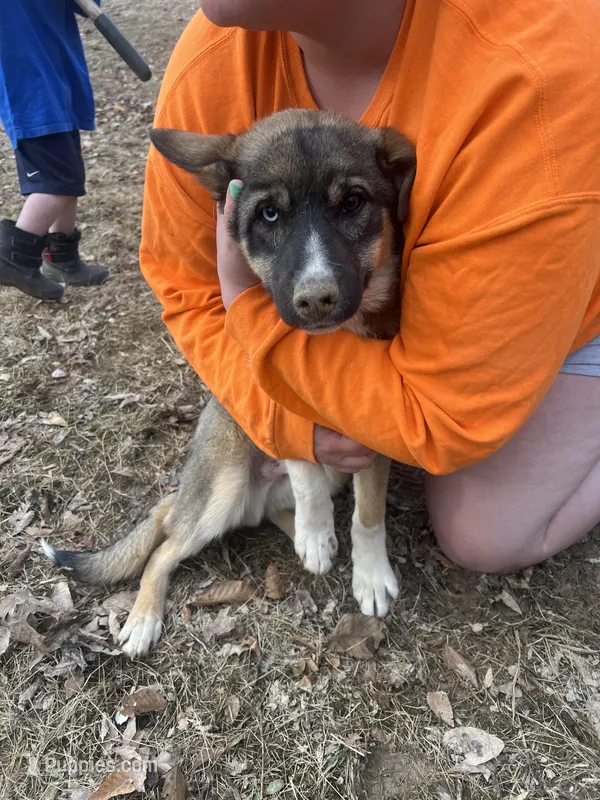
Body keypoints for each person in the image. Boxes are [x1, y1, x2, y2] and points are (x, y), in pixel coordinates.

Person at [139, 0, 600, 575]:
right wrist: (284, 420)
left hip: (558, 309)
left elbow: (439, 417)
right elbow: (186, 288)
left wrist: (244, 302)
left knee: (485, 537)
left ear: (398, 181)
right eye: (269, 214)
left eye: (353, 202)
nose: (315, 289)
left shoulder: (533, 84)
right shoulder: (210, 62)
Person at [0, 0, 109, 302]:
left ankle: (62, 258)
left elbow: (88, 6)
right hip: (31, 89)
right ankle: (13, 258)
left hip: (58, 80)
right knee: (57, 183)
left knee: (69, 176)